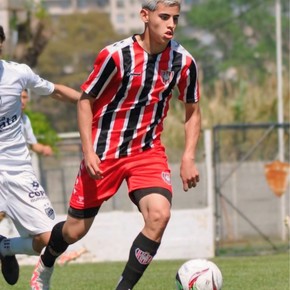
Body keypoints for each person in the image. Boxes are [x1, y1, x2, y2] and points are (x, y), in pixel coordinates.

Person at [30, 0, 201, 289]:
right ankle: (47, 261)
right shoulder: (116, 55)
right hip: (104, 153)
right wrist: (88, 151)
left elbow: (193, 110)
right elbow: (86, 100)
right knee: (74, 231)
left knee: (159, 216)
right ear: (145, 16)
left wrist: (188, 156)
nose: (171, 24)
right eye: (164, 17)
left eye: (176, 18)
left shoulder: (183, 62)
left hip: (147, 153)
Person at [0, 25, 81, 286]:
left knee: (49, 240)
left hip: (17, 171)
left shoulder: (18, 73)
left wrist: (88, 102)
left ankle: (6, 248)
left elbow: (55, 90)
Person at [21, 89, 54, 156]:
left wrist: (43, 148)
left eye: (24, 97)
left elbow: (33, 145)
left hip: (20, 162)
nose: (22, 101)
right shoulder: (3, 117)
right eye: (18, 97)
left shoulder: (25, 119)